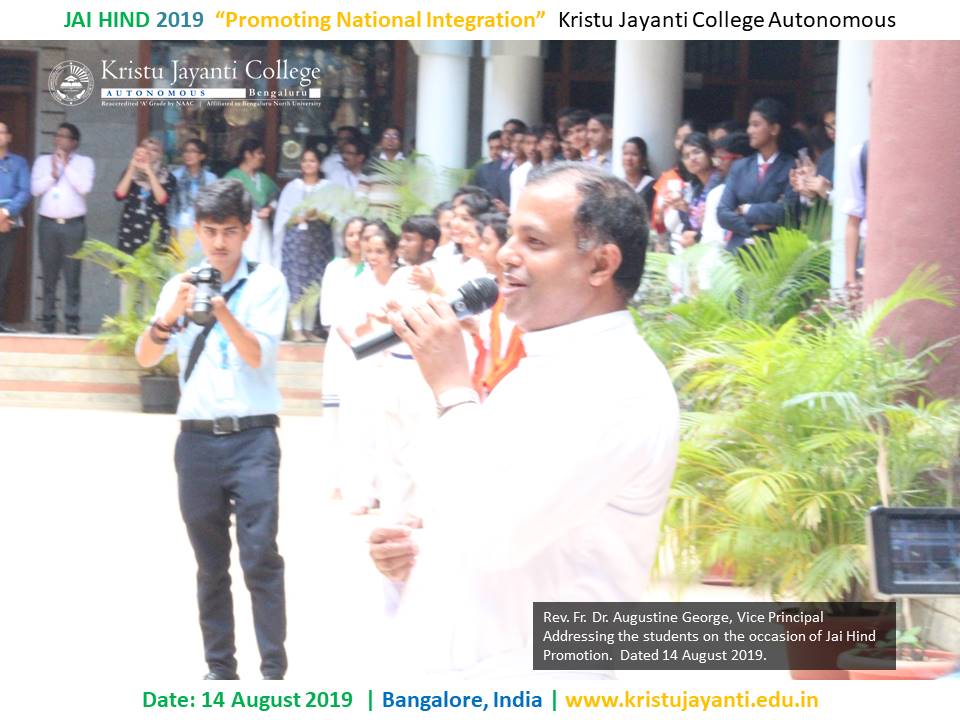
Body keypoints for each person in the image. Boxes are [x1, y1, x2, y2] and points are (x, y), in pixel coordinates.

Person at [368, 163, 679, 678]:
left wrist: (453, 388)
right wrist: (419, 552)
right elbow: (496, 504)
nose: (506, 255)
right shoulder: (542, 365)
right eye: (511, 235)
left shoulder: (621, 386)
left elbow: (497, 534)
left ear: (601, 264)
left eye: (534, 242)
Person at [135, 178, 290, 681]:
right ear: (198, 231)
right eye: (210, 231)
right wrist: (169, 317)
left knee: (260, 555)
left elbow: (258, 356)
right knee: (210, 562)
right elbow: (146, 356)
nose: (219, 242)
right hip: (197, 439)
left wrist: (221, 309)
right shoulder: (178, 286)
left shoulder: (266, 283)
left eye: (229, 231)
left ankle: (273, 671)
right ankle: (220, 669)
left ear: (246, 231)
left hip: (253, 437)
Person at [31, 122, 95, 334]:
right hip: (48, 224)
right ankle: (48, 321)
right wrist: (52, 173)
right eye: (57, 135)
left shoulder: (84, 162)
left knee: (72, 275)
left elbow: (84, 187)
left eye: (64, 136)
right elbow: (35, 189)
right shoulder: (43, 161)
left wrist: (66, 165)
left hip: (73, 226)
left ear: (74, 142)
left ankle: (72, 322)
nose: (58, 139)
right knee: (49, 275)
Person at [319, 216, 367, 500]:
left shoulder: (375, 269)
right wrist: (347, 335)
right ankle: (336, 478)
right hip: (340, 345)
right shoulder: (335, 268)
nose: (356, 239)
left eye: (361, 234)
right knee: (334, 414)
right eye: (351, 234)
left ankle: (365, 481)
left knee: (363, 415)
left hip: (369, 345)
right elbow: (328, 311)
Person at [717, 98, 796, 252]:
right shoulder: (740, 167)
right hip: (738, 250)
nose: (749, 131)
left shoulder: (791, 166)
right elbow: (722, 213)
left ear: (774, 129)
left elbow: (787, 211)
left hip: (774, 251)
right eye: (749, 125)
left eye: (756, 125)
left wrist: (746, 210)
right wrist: (752, 226)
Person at [273, 148, 335, 341]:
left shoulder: (327, 187)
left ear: (319, 164)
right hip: (296, 242)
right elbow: (283, 218)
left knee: (315, 282)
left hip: (319, 241)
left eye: (312, 161)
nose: (308, 164)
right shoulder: (292, 187)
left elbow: (335, 214)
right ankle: (296, 329)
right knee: (296, 282)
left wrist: (319, 214)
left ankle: (309, 329)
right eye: (305, 161)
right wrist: (298, 217)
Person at [114, 137, 176, 253]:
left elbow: (162, 200)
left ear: (160, 155)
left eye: (154, 150)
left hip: (155, 232)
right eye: (145, 148)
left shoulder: (167, 177)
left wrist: (149, 171)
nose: (148, 152)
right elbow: (119, 195)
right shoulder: (130, 173)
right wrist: (132, 166)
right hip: (130, 231)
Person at [225, 138, 278, 266]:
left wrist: (269, 209)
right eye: (259, 153)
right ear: (247, 154)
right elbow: (225, 205)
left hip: (263, 229)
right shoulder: (232, 178)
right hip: (242, 230)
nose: (263, 156)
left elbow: (277, 198)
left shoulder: (264, 179)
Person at [0, 120, 30, 334]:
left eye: (2, 132)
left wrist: (5, 213)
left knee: (2, 273)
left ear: (9, 137)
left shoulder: (19, 163)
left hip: (8, 223)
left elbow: (24, 191)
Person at [170, 138, 218, 264]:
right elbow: (172, 207)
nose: (188, 154)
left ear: (202, 156)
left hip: (203, 226)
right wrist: (173, 233)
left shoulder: (211, 179)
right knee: (181, 263)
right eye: (185, 151)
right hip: (181, 225)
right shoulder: (175, 176)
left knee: (201, 262)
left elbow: (214, 208)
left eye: (192, 151)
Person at [474, 131, 510, 206]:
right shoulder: (482, 170)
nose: (494, 152)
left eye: (498, 148)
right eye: (491, 148)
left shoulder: (514, 169)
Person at [621, 136, 655, 215]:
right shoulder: (617, 185)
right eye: (625, 154)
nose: (628, 158)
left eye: (634, 154)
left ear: (643, 159)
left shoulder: (652, 186)